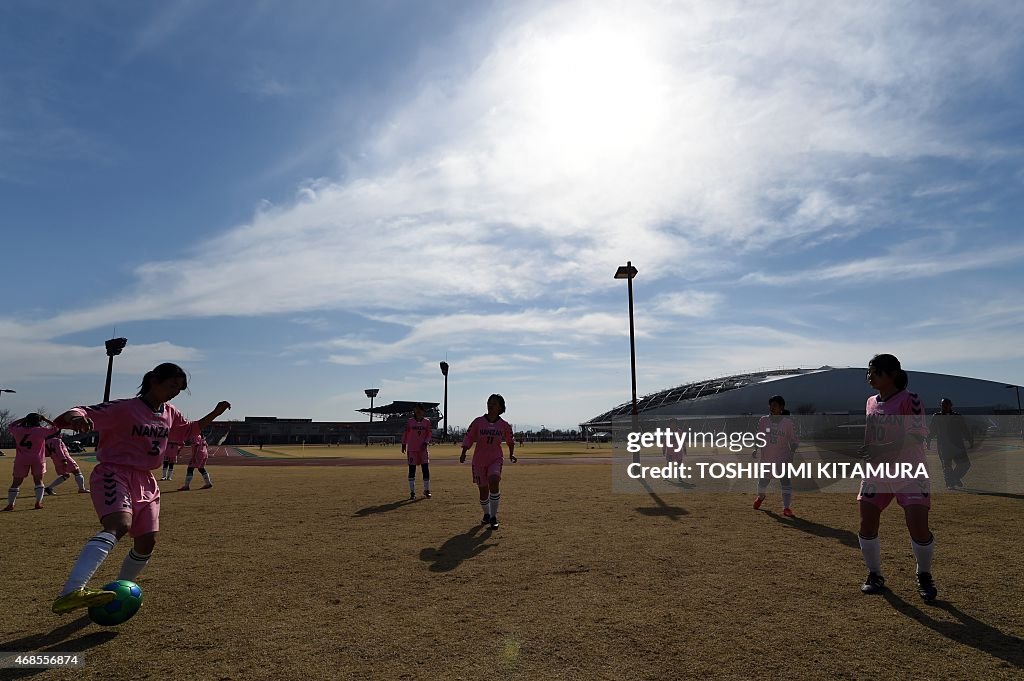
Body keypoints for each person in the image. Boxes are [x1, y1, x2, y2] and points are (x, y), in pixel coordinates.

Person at [49, 362, 230, 614]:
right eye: (172, 385)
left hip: (146, 480)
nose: (175, 391)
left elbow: (187, 431)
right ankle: (71, 591)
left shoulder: (170, 412)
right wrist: (77, 418)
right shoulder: (125, 408)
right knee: (118, 525)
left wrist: (215, 413)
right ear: (154, 381)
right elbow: (77, 411)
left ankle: (122, 591)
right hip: (114, 472)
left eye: (179, 388)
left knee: (146, 542)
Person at [857, 354, 936, 601]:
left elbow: (916, 436)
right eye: (868, 372)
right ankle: (875, 574)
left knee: (918, 527)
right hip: (876, 473)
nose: (869, 376)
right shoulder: (870, 401)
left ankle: (924, 574)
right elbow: (870, 434)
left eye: (874, 372)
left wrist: (881, 449)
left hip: (909, 470)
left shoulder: (910, 399)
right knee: (866, 525)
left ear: (891, 374)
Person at [460, 394, 516, 529]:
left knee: (494, 479)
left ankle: (493, 516)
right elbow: (469, 436)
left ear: (500, 407)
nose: (491, 404)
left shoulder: (504, 425)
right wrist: (464, 452)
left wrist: (511, 454)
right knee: (483, 491)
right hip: (479, 460)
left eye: (494, 403)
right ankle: (486, 514)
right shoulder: (478, 422)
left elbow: (510, 440)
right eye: (489, 402)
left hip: (495, 458)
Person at [751, 396, 799, 516]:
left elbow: (793, 440)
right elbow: (759, 436)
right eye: (770, 405)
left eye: (775, 405)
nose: (772, 408)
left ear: (781, 407)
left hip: (783, 457)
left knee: (785, 481)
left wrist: (792, 453)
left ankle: (786, 508)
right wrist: (755, 448)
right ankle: (761, 497)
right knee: (763, 482)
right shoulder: (763, 420)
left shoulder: (788, 423)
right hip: (767, 457)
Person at [4, 413, 60, 511]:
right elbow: (56, 428)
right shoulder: (40, 431)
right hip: (37, 459)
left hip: (21, 459)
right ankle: (38, 502)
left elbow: (11, 425)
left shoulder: (18, 430)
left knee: (16, 483)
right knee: (38, 481)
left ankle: (11, 504)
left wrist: (23, 419)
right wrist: (45, 419)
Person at [926, 398, 974, 489]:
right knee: (947, 465)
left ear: (951, 405)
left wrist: (970, 439)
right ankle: (950, 483)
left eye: (947, 405)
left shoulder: (957, 416)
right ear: (940, 406)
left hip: (958, 445)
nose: (945, 407)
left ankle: (955, 478)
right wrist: (928, 441)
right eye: (943, 405)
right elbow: (932, 431)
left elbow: (965, 429)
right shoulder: (936, 416)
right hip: (943, 446)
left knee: (965, 464)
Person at [401, 404, 433, 499]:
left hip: (422, 450)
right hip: (412, 449)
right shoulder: (410, 422)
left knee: (425, 469)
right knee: (412, 470)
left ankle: (426, 490)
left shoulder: (427, 422)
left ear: (423, 411)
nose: (418, 411)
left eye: (420, 410)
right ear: (414, 410)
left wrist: (426, 442)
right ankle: (412, 493)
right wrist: (403, 443)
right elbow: (406, 433)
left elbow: (429, 433)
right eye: (416, 409)